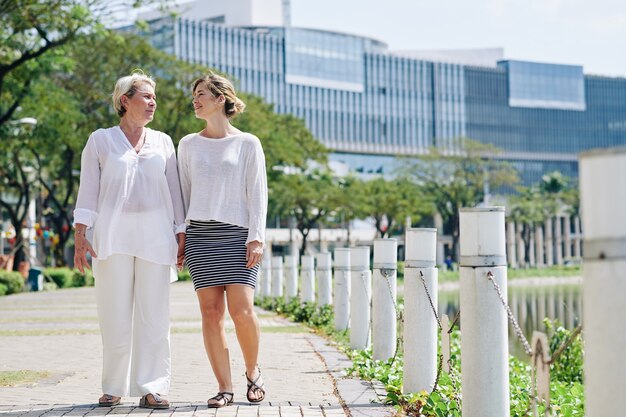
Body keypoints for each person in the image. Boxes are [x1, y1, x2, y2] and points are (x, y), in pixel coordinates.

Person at [73, 72, 186, 409]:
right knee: (114, 315)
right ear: (125, 100)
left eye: (154, 98)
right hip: (112, 238)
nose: (153, 103)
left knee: (154, 316)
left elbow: (176, 194)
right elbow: (88, 191)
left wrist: (181, 234)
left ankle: (152, 387)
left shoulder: (164, 142)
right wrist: (81, 234)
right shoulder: (100, 140)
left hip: (156, 238)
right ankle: (113, 385)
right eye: (146, 97)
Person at [177, 73, 268, 408]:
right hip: (201, 237)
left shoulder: (248, 143)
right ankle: (224, 387)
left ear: (221, 98)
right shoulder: (187, 144)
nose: (195, 100)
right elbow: (183, 195)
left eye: (201, 94)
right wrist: (181, 235)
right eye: (194, 95)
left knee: (242, 311)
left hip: (238, 237)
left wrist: (256, 237)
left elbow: (258, 194)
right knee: (211, 313)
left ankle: (253, 371)